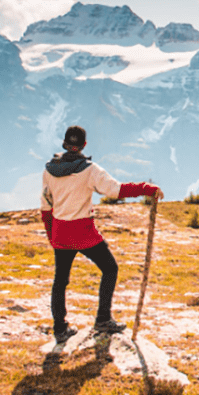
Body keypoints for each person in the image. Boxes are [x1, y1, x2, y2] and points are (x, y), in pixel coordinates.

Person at [40, 125, 162, 344]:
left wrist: (52, 235)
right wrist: (147, 188)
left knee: (60, 280)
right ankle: (102, 319)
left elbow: (46, 207)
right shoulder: (89, 170)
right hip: (83, 232)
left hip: (60, 232)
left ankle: (60, 328)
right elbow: (116, 190)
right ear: (84, 145)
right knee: (110, 268)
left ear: (64, 143)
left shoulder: (49, 170)